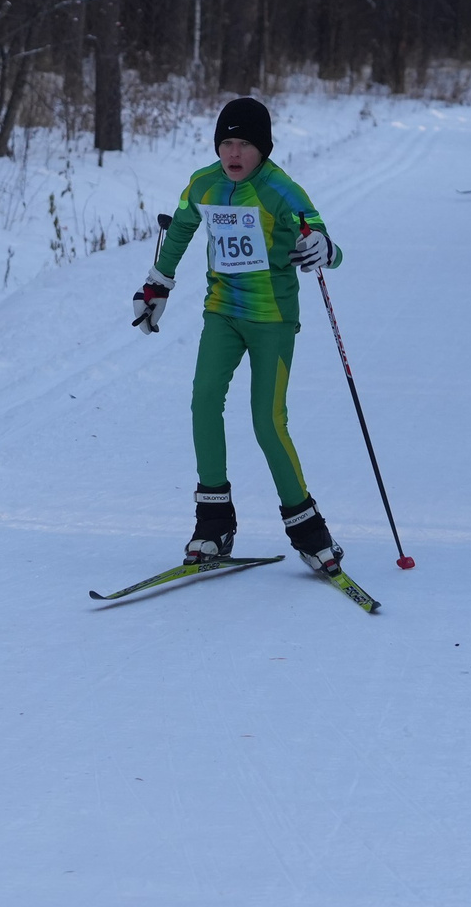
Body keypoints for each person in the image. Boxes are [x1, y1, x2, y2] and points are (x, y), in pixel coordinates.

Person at [130, 97, 348, 575]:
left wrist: (322, 247)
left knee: (267, 421)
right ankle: (213, 524)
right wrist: (157, 284)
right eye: (226, 143)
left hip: (272, 319)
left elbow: (326, 241)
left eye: (244, 144)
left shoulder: (281, 191)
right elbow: (182, 226)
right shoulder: (203, 184)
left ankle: (309, 529)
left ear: (263, 149)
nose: (233, 153)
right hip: (222, 313)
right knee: (204, 400)